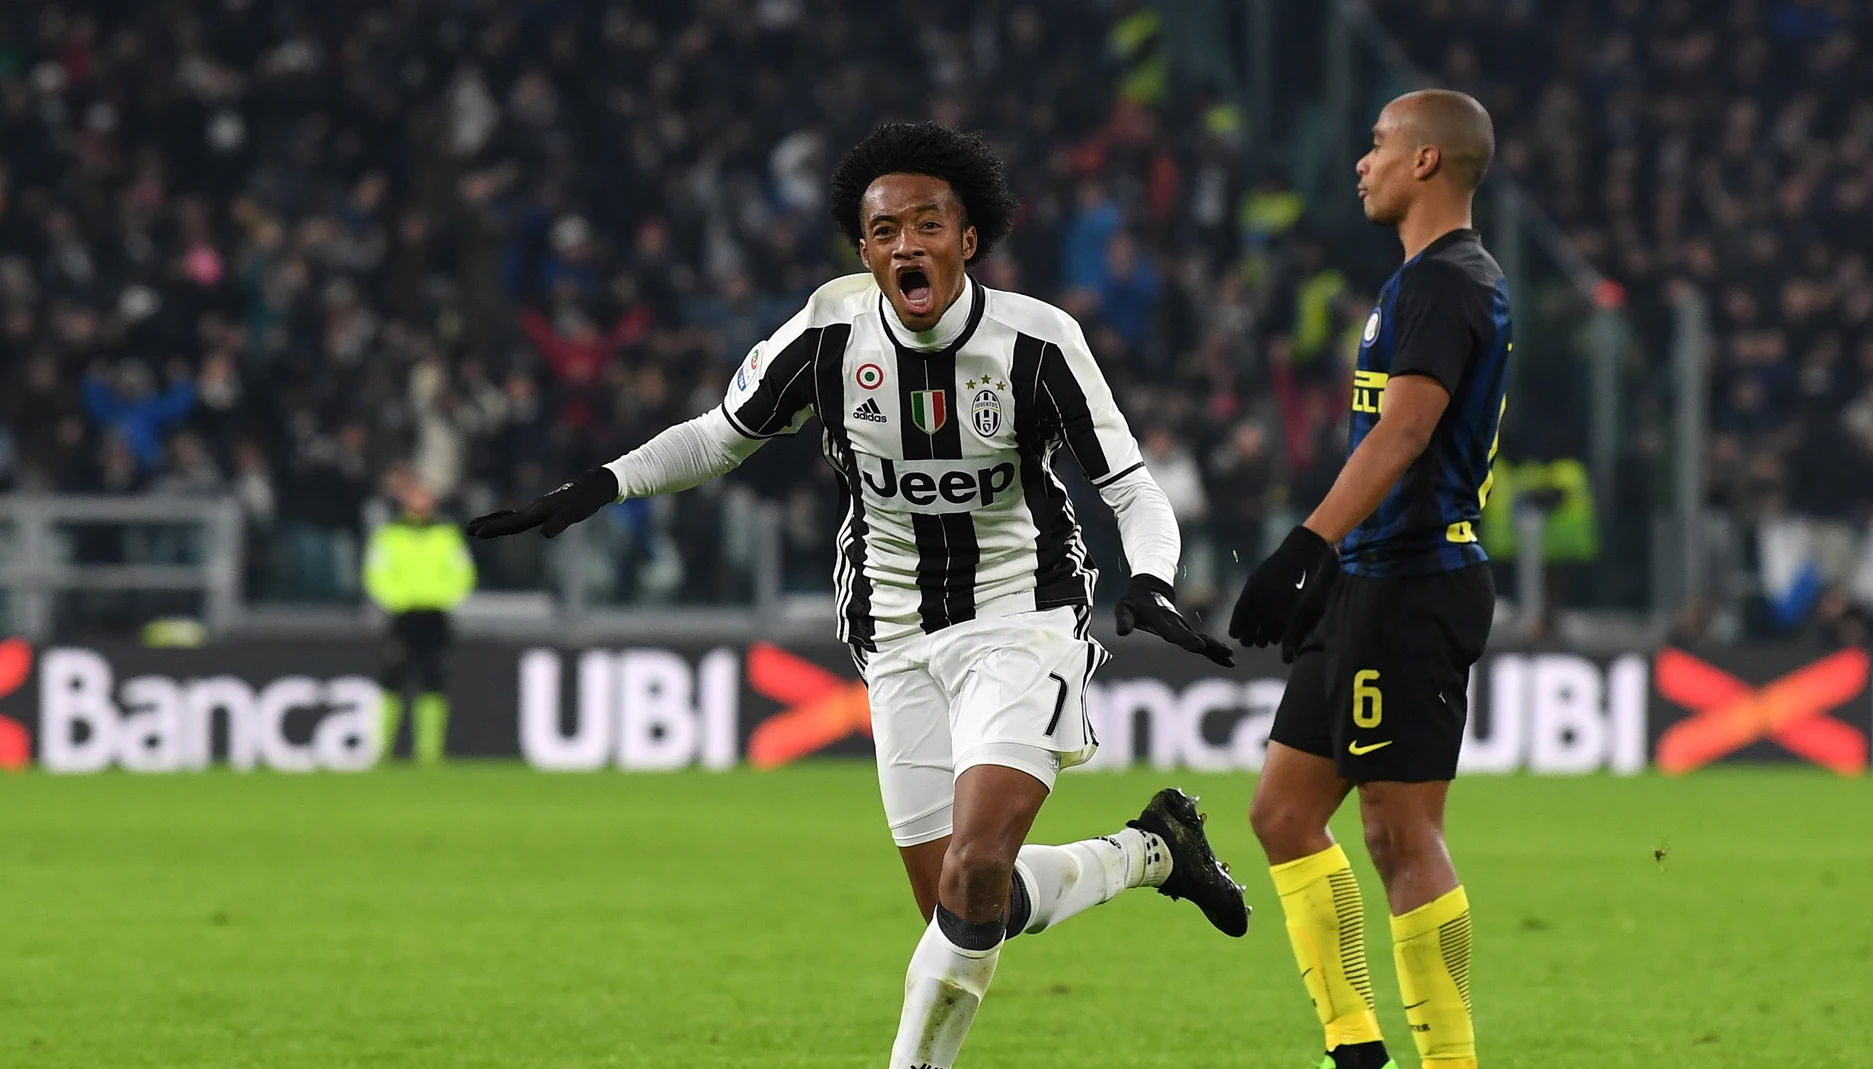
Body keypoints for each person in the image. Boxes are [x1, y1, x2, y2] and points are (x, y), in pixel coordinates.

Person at [467, 121, 1247, 1068]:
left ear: (968, 237)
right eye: (884, 232)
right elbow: (720, 435)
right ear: (865, 248)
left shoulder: (1039, 344)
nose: (905, 245)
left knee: (973, 871)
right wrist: (599, 485)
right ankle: (1153, 850)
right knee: (963, 907)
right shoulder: (829, 331)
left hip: (1022, 615)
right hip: (894, 626)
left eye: (927, 224)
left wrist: (1154, 576)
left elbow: (1128, 486)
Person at [1228, 90, 1509, 1069]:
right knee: (1281, 811)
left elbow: (1406, 429)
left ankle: (1449, 1061)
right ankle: (1354, 1045)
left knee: (1398, 829)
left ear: (1429, 161)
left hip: (1414, 581)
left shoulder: (1444, 284)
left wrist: (1304, 542)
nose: (1362, 160)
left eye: (1380, 144)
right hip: (1369, 578)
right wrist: (1329, 559)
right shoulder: (1419, 282)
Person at [363, 473, 476, 766]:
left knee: (434, 679)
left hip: (435, 615)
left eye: (424, 496)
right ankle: (382, 749)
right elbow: (376, 575)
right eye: (415, 496)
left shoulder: (446, 534)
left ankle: (429, 752)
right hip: (402, 616)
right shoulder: (389, 535)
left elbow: (462, 574)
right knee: (392, 679)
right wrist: (399, 599)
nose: (420, 501)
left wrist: (441, 597)